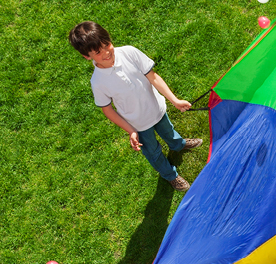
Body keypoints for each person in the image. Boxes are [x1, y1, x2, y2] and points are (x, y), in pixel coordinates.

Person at [69, 21, 202, 191]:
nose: (107, 52)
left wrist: (174, 100)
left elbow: (153, 77)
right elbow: (107, 110)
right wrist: (131, 130)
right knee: (153, 153)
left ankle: (179, 144)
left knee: (168, 130)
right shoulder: (98, 82)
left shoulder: (129, 52)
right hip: (138, 125)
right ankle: (170, 176)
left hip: (158, 109)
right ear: (87, 56)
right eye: (98, 52)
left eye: (107, 45)